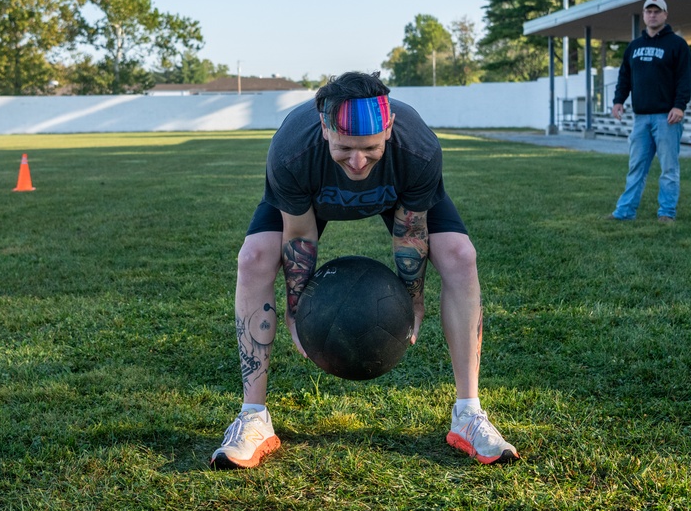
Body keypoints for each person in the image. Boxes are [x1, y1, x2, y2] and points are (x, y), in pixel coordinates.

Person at [210, 71, 519, 469]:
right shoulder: (292, 151)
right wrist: (295, 308)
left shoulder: (418, 148)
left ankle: (469, 414)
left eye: (370, 148)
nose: (358, 162)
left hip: (399, 196)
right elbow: (300, 236)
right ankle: (253, 417)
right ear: (324, 128)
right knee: (253, 257)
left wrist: (412, 300)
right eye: (344, 149)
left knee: (461, 255)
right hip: (310, 201)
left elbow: (411, 231)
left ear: (388, 128)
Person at [607, 0, 691, 223]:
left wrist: (679, 106)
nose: (652, 15)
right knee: (636, 167)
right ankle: (624, 212)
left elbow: (685, 79)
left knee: (668, 169)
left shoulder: (677, 45)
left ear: (665, 15)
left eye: (657, 11)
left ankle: (666, 213)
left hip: (668, 118)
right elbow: (625, 77)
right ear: (644, 15)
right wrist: (618, 100)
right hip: (641, 118)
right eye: (649, 11)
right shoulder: (634, 47)